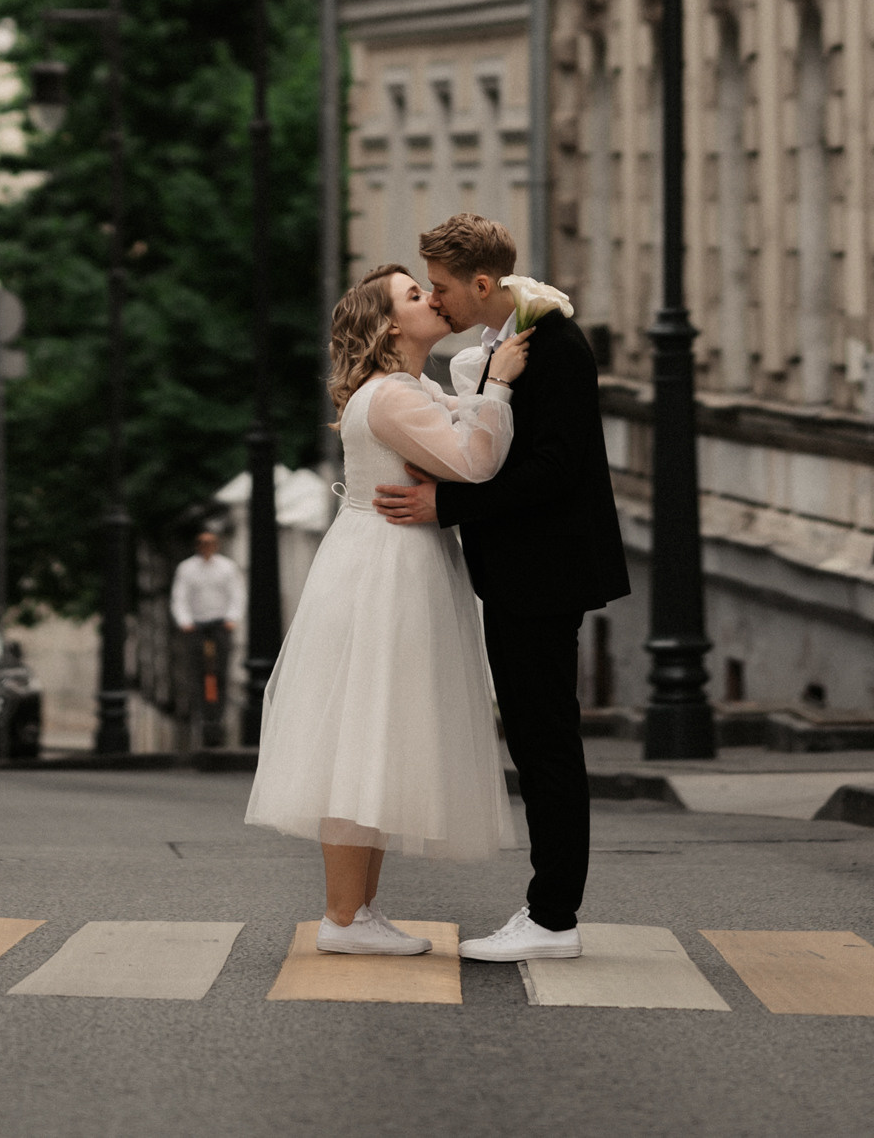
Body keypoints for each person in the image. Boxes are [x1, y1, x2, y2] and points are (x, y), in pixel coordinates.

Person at [245, 263, 528, 953]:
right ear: (389, 326)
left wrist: (471, 390)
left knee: (375, 737)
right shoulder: (392, 397)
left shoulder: (408, 388)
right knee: (363, 738)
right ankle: (343, 918)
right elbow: (474, 463)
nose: (431, 296)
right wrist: (494, 388)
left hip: (391, 561)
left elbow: (453, 439)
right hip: (385, 570)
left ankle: (356, 913)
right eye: (412, 294)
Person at [375, 211, 628, 968]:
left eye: (444, 288)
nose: (435, 299)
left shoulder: (555, 349)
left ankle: (553, 916)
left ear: (482, 284)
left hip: (543, 574)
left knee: (545, 741)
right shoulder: (507, 343)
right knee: (534, 736)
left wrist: (446, 507)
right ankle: (548, 909)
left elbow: (549, 471)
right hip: (524, 572)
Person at [170, 523, 245, 747]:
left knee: (219, 671)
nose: (206, 547)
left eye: (210, 543)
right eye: (202, 543)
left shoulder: (227, 568)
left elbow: (237, 595)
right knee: (197, 670)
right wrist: (184, 621)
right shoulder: (187, 568)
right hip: (197, 626)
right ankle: (201, 713)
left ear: (216, 545)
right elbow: (179, 596)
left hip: (220, 625)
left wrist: (232, 619)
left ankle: (217, 715)